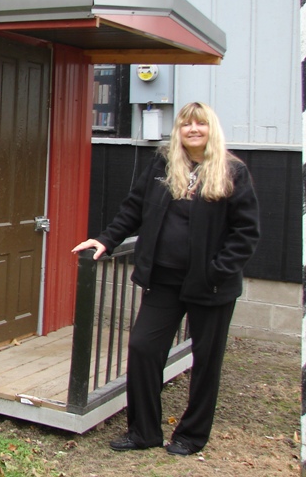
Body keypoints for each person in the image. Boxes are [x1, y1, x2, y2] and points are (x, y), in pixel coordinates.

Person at [72, 102, 260, 457]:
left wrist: (215, 270)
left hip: (211, 286)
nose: (193, 130)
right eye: (186, 124)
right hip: (164, 281)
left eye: (200, 124)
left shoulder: (233, 171)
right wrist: (106, 239)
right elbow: (133, 208)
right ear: (179, 130)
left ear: (211, 129)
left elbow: (246, 233)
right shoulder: (162, 165)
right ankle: (144, 432)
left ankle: (191, 436)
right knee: (143, 349)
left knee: (206, 362)